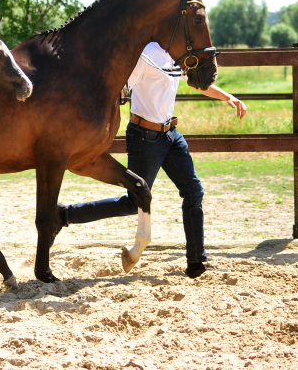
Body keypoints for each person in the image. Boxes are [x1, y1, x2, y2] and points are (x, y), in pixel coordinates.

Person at [59, 41, 247, 278]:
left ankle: (196, 262)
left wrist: (228, 96)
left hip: (171, 135)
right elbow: (121, 88)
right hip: (144, 137)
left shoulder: (178, 54)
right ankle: (65, 215)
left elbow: (197, 83)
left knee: (193, 191)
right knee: (132, 202)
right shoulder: (146, 53)